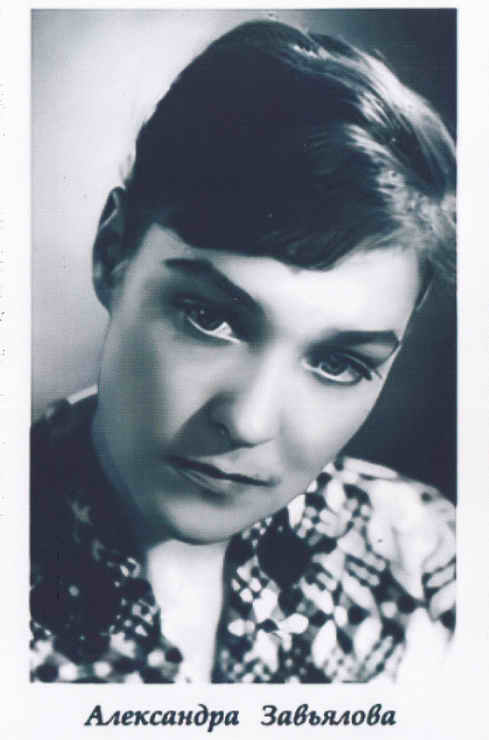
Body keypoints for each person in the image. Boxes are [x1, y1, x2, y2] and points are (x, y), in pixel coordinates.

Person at [30, 19, 456, 683]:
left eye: (338, 364)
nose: (250, 422)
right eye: (209, 319)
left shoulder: (425, 556)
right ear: (113, 254)